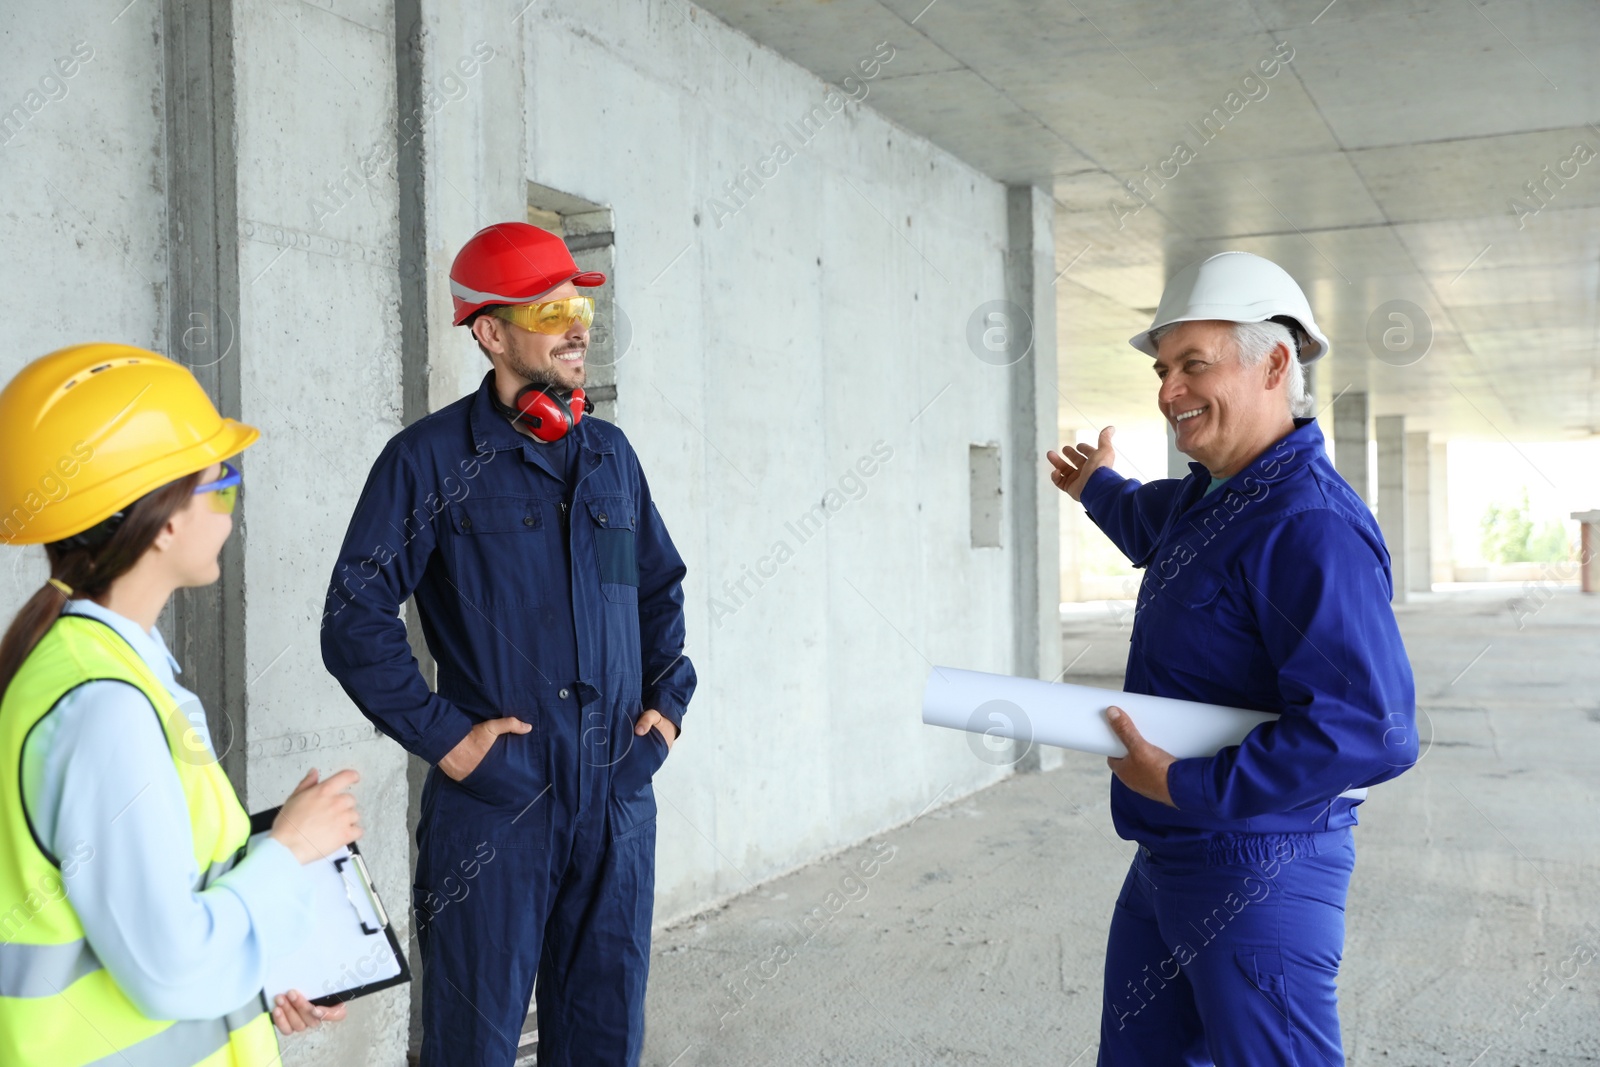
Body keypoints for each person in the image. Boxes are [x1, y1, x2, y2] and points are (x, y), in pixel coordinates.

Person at [321, 221, 696, 1066]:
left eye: (581, 308)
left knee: (603, 1041)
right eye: (551, 307)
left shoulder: (608, 456)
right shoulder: (427, 460)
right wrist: (448, 741)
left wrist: (664, 715)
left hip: (616, 800)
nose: (577, 326)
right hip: (497, 809)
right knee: (472, 1046)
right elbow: (354, 617)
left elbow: (652, 591)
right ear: (490, 332)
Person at [1046, 252, 1418, 1064]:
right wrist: (1098, 487)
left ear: (1274, 363)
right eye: (1162, 367)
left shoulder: (1309, 526)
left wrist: (1186, 782)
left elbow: (1373, 730)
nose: (1167, 390)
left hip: (1261, 865)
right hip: (1173, 852)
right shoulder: (1211, 493)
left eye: (1192, 364)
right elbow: (1156, 528)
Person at [0, 344, 364, 1065]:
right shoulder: (103, 708)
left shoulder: (91, 668)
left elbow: (140, 921)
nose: (232, 504)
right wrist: (291, 850)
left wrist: (256, 971)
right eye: (222, 483)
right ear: (165, 520)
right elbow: (168, 968)